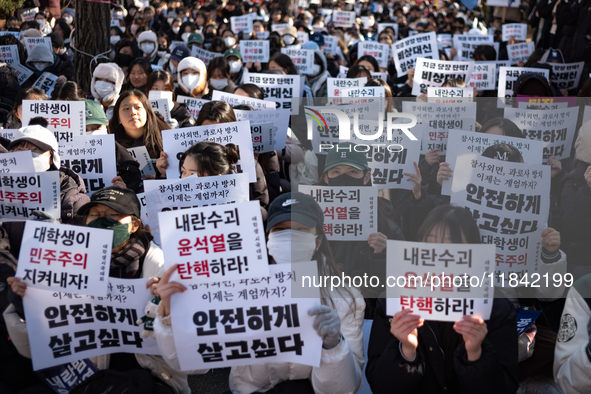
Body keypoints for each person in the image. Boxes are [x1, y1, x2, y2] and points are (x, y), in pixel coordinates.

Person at [152, 192, 365, 394]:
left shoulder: (346, 299)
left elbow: (344, 389)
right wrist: (173, 316)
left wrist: (333, 346)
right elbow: (188, 363)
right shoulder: (233, 288)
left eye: (300, 230)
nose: (290, 237)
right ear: (267, 238)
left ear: (317, 240)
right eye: (280, 230)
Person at [3, 187, 194, 394]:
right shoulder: (63, 262)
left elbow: (189, 357)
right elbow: (34, 349)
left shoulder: (161, 268)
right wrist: (27, 308)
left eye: (115, 215)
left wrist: (166, 309)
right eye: (95, 214)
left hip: (149, 377)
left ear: (134, 225)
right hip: (81, 375)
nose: (103, 221)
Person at [366, 204, 519, 394]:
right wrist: (405, 351)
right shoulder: (392, 303)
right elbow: (380, 387)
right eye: (430, 244)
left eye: (451, 248)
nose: (439, 255)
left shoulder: (496, 307)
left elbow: (505, 388)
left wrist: (476, 353)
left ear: (473, 252)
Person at [316, 142, 405, 313]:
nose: (344, 177)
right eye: (336, 172)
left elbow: (399, 281)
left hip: (365, 312)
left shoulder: (384, 222)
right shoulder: (311, 216)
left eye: (352, 172)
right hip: (320, 307)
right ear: (326, 177)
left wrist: (382, 255)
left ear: (366, 177)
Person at [109, 90, 168, 162]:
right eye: (126, 108)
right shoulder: (111, 145)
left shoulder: (165, 137)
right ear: (118, 118)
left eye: (138, 107)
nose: (133, 112)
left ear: (147, 112)